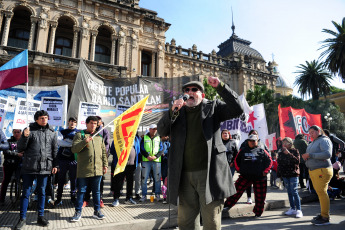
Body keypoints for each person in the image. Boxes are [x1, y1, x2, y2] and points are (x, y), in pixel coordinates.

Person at [157, 77, 243, 230]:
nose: (190, 92)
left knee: (211, 222)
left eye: (194, 90)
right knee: (186, 223)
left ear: (202, 95)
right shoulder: (177, 111)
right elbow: (162, 131)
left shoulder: (213, 107)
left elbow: (237, 109)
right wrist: (171, 112)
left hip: (210, 175)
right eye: (187, 90)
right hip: (184, 177)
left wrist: (221, 87)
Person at [14, 110, 58, 229]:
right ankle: (22, 218)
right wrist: (24, 136)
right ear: (36, 119)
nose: (44, 120)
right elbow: (20, 148)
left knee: (42, 192)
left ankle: (41, 216)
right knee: (26, 193)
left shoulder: (52, 132)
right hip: (29, 167)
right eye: (41, 118)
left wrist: (55, 165)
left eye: (46, 118)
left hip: (45, 167)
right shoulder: (29, 130)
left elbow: (55, 150)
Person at [224, 134, 272, 217]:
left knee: (260, 197)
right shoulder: (242, 150)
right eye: (251, 141)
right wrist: (239, 170)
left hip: (260, 177)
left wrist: (265, 171)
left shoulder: (262, 150)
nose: (252, 142)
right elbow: (236, 160)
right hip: (245, 176)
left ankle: (258, 212)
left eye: (254, 141)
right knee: (235, 191)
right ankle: (227, 205)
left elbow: (270, 161)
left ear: (257, 141)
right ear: (248, 141)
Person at [70, 116, 108, 222]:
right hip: (84, 169)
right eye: (91, 123)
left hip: (98, 169)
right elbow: (74, 149)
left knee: (96, 192)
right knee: (81, 191)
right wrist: (84, 142)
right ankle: (78, 212)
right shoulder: (80, 135)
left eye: (95, 124)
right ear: (86, 123)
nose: (93, 125)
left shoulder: (99, 137)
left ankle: (97, 211)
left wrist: (105, 165)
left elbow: (103, 153)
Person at [302, 125, 333, 226]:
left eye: (312, 132)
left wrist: (310, 155)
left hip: (322, 170)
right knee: (320, 193)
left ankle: (325, 217)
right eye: (309, 133)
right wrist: (306, 158)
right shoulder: (313, 142)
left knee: (322, 193)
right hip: (314, 170)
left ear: (318, 131)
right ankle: (323, 214)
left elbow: (327, 154)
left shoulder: (324, 140)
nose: (310, 134)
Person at [83, 116, 110, 208]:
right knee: (87, 182)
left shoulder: (104, 132)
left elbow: (106, 146)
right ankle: (86, 199)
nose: (95, 124)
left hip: (99, 161)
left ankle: (99, 200)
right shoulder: (85, 132)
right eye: (93, 122)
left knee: (99, 184)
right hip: (88, 162)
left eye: (97, 122)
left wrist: (103, 160)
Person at [110, 133, 141, 206]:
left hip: (131, 165)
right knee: (118, 182)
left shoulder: (135, 138)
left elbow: (138, 150)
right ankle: (116, 199)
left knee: (130, 182)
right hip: (120, 165)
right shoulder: (118, 138)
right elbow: (112, 150)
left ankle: (129, 198)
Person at [239, 129, 269, 204]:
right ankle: (249, 197)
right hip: (248, 169)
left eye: (255, 134)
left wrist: (266, 169)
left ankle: (261, 199)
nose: (254, 135)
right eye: (252, 134)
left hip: (260, 170)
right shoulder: (245, 143)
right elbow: (240, 154)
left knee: (259, 186)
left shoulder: (261, 142)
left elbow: (267, 153)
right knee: (248, 184)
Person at [54, 117, 78, 206]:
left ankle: (73, 198)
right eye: (71, 121)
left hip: (73, 159)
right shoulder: (62, 131)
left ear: (76, 123)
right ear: (68, 122)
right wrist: (72, 144)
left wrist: (66, 141)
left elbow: (79, 144)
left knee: (73, 180)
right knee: (60, 180)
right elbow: (60, 143)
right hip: (62, 159)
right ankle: (58, 198)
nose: (72, 123)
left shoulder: (79, 132)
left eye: (74, 122)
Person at [277, 137, 303, 218]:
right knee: (289, 192)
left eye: (286, 143)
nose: (284, 145)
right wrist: (278, 176)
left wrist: (288, 153)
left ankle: (299, 210)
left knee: (294, 191)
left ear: (290, 143)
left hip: (293, 174)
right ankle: (292, 208)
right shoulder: (280, 152)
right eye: (283, 143)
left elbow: (297, 161)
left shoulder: (295, 151)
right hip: (285, 174)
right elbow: (279, 164)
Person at [139, 124, 164, 202]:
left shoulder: (159, 138)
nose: (154, 130)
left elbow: (162, 149)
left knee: (157, 179)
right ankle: (143, 195)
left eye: (156, 129)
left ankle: (157, 195)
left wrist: (155, 156)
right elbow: (141, 148)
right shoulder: (144, 138)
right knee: (144, 178)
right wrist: (147, 156)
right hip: (146, 161)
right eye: (153, 129)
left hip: (156, 161)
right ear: (149, 129)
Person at [0, 129, 21, 204]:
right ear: (12, 133)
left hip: (19, 164)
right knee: (6, 181)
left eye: (18, 132)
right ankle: (2, 199)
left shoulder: (23, 141)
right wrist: (17, 154)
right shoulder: (8, 141)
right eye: (15, 132)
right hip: (8, 164)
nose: (16, 134)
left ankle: (18, 197)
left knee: (18, 180)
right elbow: (5, 151)